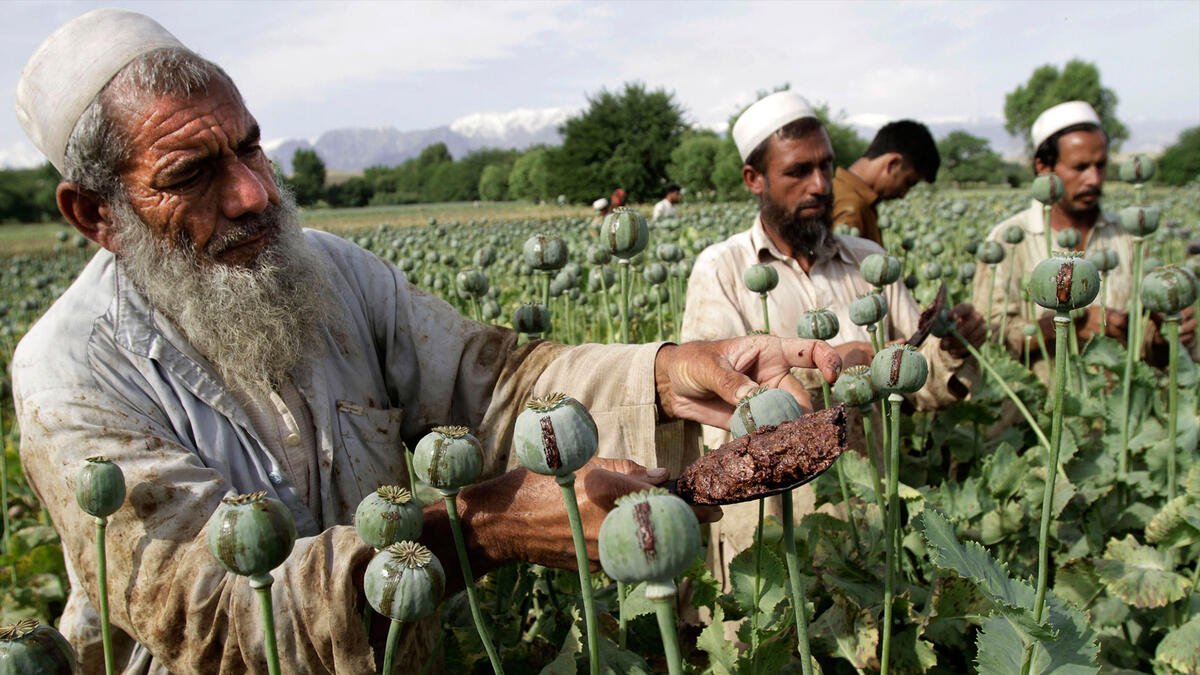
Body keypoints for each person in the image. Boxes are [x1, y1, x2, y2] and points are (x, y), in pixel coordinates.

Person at [12, 10, 843, 672]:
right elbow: (218, 617)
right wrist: (480, 530)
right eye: (191, 173)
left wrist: (668, 372)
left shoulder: (328, 271)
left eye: (252, 145)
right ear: (95, 214)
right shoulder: (70, 372)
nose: (252, 193)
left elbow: (501, 383)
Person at [680, 91, 985, 589]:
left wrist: (950, 350)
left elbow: (915, 384)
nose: (820, 185)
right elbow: (716, 406)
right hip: (773, 536)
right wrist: (831, 367)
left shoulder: (868, 261)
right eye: (798, 172)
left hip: (867, 521)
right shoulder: (722, 269)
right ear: (754, 180)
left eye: (827, 166)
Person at [971, 100, 1195, 365]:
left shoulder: (1128, 236)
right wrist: (1069, 325)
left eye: (1100, 165)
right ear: (1043, 167)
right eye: (1080, 167)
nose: (1094, 179)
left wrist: (1165, 338)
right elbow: (990, 337)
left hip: (1118, 400)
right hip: (1036, 403)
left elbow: (1149, 346)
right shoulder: (1008, 239)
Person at [832, 120, 940, 246]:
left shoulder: (842, 192)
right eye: (908, 182)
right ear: (893, 164)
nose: (903, 195)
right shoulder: (851, 208)